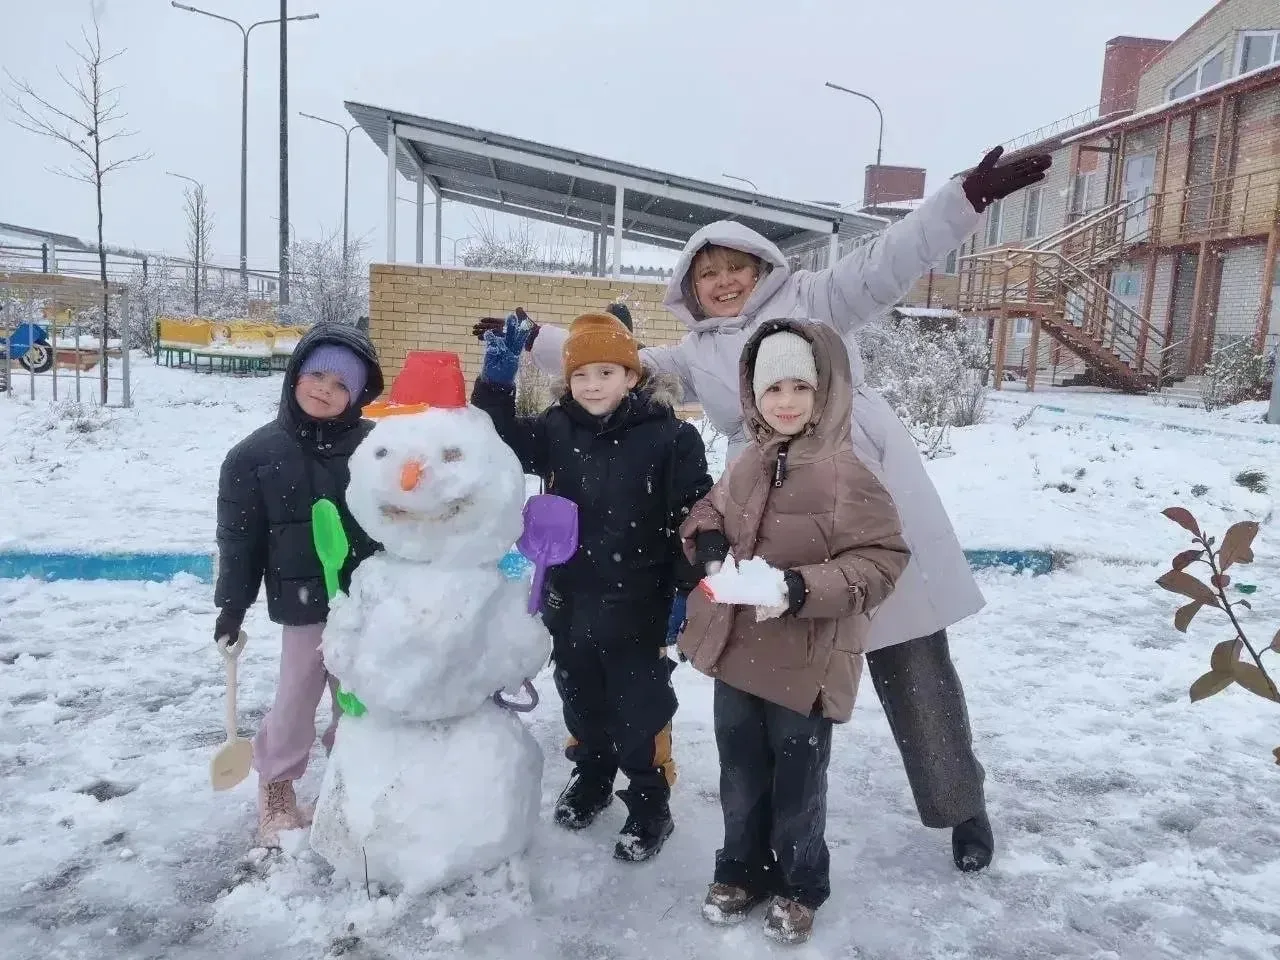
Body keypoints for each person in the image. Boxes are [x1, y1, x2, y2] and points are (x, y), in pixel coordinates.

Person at [474, 147, 1051, 871]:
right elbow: (616, 360)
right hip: (772, 510)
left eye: (735, 269)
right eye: (707, 274)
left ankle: (960, 805)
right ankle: (778, 834)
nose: (723, 283)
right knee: (777, 675)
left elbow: (891, 259)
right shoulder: (695, 352)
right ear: (691, 287)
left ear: (762, 269)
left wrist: (963, 198)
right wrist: (532, 340)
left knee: (912, 660)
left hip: (861, 496)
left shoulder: (816, 300)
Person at [680, 320, 909, 943]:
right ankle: (740, 871)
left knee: (797, 784)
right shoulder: (749, 462)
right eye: (771, 388)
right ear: (753, 396)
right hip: (738, 652)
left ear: (823, 391)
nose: (785, 402)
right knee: (739, 773)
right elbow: (709, 510)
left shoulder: (847, 474)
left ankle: (800, 884)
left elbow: (883, 560)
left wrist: (800, 588)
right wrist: (709, 542)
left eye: (799, 387)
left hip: (807, 660)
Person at [471, 310, 713, 862]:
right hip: (570, 596)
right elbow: (498, 438)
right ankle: (593, 776)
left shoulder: (671, 437)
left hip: (639, 602)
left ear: (631, 376)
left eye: (606, 372)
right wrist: (496, 382)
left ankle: (650, 802)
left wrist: (684, 589)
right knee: (580, 698)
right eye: (580, 375)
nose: (593, 385)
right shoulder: (556, 428)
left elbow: (691, 516)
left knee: (641, 709)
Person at [213, 323, 385, 847]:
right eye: (317, 376)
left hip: (367, 599)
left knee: (361, 697)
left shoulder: (377, 447)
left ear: (357, 395)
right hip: (303, 603)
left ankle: (350, 776)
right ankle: (277, 784)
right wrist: (232, 608)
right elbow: (239, 541)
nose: (325, 391)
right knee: (296, 696)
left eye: (341, 385)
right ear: (296, 375)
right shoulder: (254, 455)